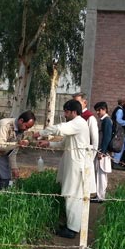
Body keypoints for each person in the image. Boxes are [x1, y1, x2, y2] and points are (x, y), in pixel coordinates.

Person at [34, 99, 90, 239]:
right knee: (70, 194)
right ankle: (71, 224)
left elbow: (59, 128)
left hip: (76, 166)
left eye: (66, 111)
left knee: (72, 196)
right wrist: (49, 143)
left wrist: (40, 132)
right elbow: (63, 143)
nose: (65, 114)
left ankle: (72, 229)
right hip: (72, 164)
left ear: (73, 112)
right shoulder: (77, 125)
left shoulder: (77, 123)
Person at [0, 110, 35, 193]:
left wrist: (14, 168)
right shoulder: (5, 125)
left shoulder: (20, 131)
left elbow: (13, 152)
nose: (26, 129)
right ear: (21, 120)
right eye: (26, 126)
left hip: (2, 157)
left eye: (28, 128)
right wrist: (17, 143)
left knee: (5, 181)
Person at [72, 92, 99, 196]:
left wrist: (90, 157)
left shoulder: (89, 117)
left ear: (85, 102)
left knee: (84, 187)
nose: (75, 105)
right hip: (74, 156)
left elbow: (95, 140)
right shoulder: (74, 116)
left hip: (85, 157)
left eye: (77, 102)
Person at [92, 102, 112, 203]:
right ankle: (98, 195)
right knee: (99, 174)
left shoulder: (107, 121)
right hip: (101, 151)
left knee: (101, 175)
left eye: (99, 110)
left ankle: (101, 196)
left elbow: (107, 137)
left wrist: (102, 152)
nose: (97, 112)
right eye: (97, 110)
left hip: (103, 153)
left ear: (104, 109)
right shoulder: (104, 120)